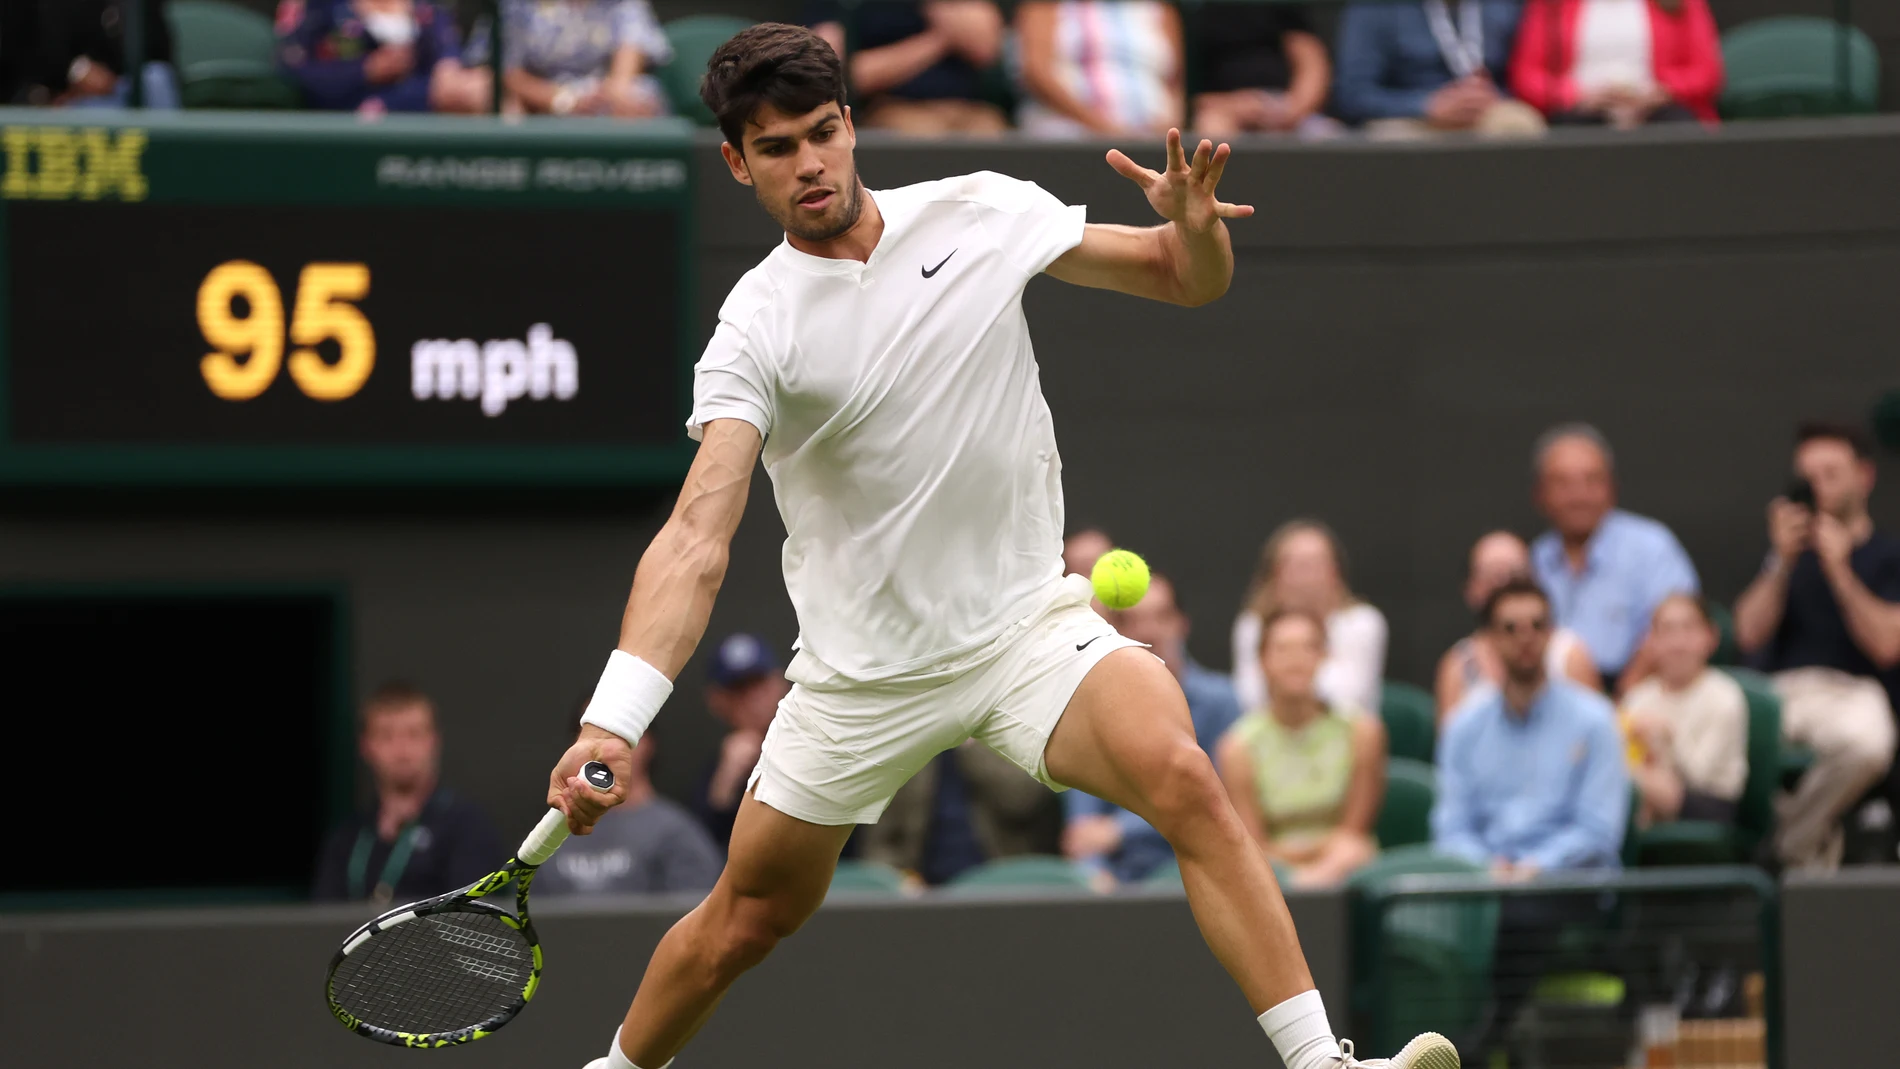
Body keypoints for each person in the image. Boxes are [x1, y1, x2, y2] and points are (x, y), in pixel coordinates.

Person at [547, 23, 1451, 1069]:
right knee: (744, 921)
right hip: (864, 675)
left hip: (1023, 629)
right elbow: (698, 536)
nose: (809, 164)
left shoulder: (980, 211)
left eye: (822, 133)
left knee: (1184, 776)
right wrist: (614, 719)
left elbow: (1180, 276)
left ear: (850, 125)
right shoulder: (754, 328)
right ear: (737, 162)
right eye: (779, 147)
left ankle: (1321, 1063)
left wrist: (1198, 229)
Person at [1434, 578, 1628, 1061]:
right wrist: (1491, 868)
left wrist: (1532, 870)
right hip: (1485, 885)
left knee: (1518, 914)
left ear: (1552, 634)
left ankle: (1481, 1042)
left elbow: (1600, 832)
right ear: (1489, 640)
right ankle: (1482, 1036)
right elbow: (1450, 828)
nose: (1525, 636)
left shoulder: (1595, 720)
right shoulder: (1463, 727)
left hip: (1569, 886)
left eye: (1538, 625)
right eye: (1511, 627)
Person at [1733, 421, 1900, 870]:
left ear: (1864, 477)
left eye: (1831, 473)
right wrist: (1780, 562)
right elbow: (1746, 633)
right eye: (1809, 477)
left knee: (1868, 745)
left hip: (1853, 694)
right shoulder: (1782, 556)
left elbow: (1888, 644)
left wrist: (1840, 570)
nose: (1819, 486)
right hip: (1779, 694)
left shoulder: (1887, 556)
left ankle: (1787, 843)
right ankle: (1798, 842)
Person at [1065, 573, 1244, 886]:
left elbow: (1215, 803)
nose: (1149, 631)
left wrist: (1118, 830)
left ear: (1182, 623)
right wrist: (1093, 873)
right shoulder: (1091, 708)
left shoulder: (1222, 702)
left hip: (1203, 872)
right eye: (1134, 620)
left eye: (1161, 617)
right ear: (1116, 631)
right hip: (1117, 880)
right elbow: (1082, 829)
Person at [1217, 609, 1385, 888]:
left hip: (1346, 868)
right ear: (1261, 660)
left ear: (1325, 656)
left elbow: (1353, 833)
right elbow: (1252, 846)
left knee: (1355, 851)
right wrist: (1307, 860)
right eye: (1282, 649)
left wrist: (1318, 868)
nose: (1295, 660)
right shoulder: (1237, 748)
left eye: (1308, 648)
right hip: (1272, 874)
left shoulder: (1362, 732)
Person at [1529, 423, 1699, 693]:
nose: (1578, 495)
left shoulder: (1651, 547)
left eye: (1591, 480)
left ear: (1612, 488)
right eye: (1563, 483)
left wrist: (1616, 706)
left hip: (1636, 696)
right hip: (1549, 701)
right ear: (1539, 494)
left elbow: (1676, 631)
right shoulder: (1534, 560)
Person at [312, 683, 504, 904]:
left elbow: (470, 921)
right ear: (366, 746)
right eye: (386, 736)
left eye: (414, 734)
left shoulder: (468, 828)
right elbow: (322, 922)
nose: (402, 750)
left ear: (433, 740)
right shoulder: (347, 838)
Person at [537, 724, 724, 896]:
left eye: (618, 732)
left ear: (648, 743)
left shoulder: (678, 832)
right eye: (591, 732)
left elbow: (692, 917)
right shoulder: (548, 835)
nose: (604, 746)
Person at [1436, 530, 1600, 720]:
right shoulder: (1457, 664)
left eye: (1515, 574)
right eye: (1491, 575)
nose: (1504, 584)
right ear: (1471, 587)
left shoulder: (1570, 654)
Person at [1232, 519, 1388, 717]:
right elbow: (1250, 697)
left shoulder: (1363, 622)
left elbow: (1350, 697)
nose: (1305, 576)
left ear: (1335, 572)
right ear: (1275, 572)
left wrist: (1287, 683)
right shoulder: (1252, 624)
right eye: (1296, 565)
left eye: (1315, 564)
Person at [1620, 594, 1748, 828]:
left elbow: (1700, 778)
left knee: (1642, 784)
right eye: (1667, 630)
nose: (1678, 642)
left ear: (1710, 637)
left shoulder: (1725, 697)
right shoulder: (1637, 698)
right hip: (1646, 796)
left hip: (1710, 803)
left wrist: (1669, 737)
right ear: (1651, 642)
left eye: (1689, 629)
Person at [856, 740, 1061, 886]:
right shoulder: (908, 743)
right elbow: (882, 836)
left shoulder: (1004, 726)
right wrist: (893, 881)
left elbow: (1021, 800)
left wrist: (973, 744)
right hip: (924, 889)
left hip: (998, 881)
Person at [1332, 0, 1546, 138]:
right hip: (1409, 116)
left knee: (1519, 124)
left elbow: (1525, 79)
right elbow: (1353, 96)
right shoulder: (1375, 8)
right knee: (1391, 139)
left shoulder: (1502, 7)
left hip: (1486, 111)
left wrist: (1488, 97)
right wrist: (1424, 105)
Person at [1509, 0, 1723, 128]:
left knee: (1680, 130)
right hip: (1581, 114)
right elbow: (1527, 77)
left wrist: (1662, 91)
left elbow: (1707, 72)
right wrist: (1577, 96)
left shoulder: (1679, 4)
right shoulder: (1552, 6)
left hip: (1659, 111)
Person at [809, 0, 1009, 135]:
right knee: (925, 137)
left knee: (991, 134)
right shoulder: (851, 8)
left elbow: (986, 49)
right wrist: (937, 41)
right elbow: (840, 75)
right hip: (891, 107)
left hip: (969, 107)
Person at [279, 0, 488, 115]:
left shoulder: (427, 8)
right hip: (348, 112)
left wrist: (447, 66)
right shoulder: (316, 7)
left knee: (482, 87)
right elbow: (290, 70)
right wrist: (365, 70)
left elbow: (446, 49)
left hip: (425, 103)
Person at [1014, 0, 1185, 138]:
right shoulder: (1047, 6)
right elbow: (1036, 73)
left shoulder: (1161, 9)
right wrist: (1103, 129)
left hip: (1149, 140)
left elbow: (1174, 82)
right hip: (1069, 135)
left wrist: (1168, 130)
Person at [693, 632, 789, 850]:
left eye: (759, 684)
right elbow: (704, 850)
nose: (753, 698)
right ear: (717, 701)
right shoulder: (717, 770)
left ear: (779, 683)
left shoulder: (814, 741)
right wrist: (725, 783)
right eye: (739, 689)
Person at [1188, 3, 1339, 139]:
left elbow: (1312, 64)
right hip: (1223, 109)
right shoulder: (1197, 13)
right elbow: (1188, 97)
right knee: (1212, 130)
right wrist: (1236, 106)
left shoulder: (1280, 8)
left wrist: (1289, 112)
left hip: (1286, 106)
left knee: (1332, 141)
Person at [501, 0, 670, 118]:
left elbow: (631, 48)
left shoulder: (621, 3)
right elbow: (508, 69)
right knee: (494, 99)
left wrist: (616, 92)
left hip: (601, 92)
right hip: (545, 95)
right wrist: (561, 100)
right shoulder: (519, 5)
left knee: (640, 97)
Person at [2, 0, 180, 107]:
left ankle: (168, 164)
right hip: (68, 93)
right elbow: (36, 47)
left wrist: (113, 78)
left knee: (157, 79)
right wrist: (76, 71)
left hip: (124, 85)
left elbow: (161, 49)